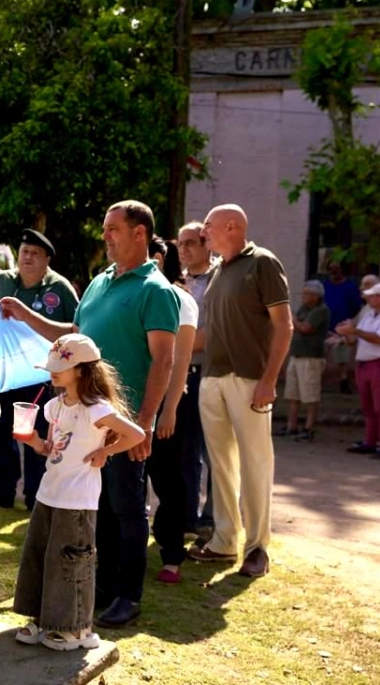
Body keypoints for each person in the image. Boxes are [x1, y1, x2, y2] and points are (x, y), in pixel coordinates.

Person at [0, 199, 178, 628]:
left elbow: (164, 361)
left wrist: (145, 423)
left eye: (113, 229)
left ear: (140, 233)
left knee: (126, 509)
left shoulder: (157, 291)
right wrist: (25, 315)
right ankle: (96, 587)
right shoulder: (99, 283)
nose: (105, 236)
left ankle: (127, 594)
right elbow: (73, 338)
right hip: (83, 422)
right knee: (92, 508)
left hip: (121, 424)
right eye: (105, 229)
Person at [12, 334, 145, 651]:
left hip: (77, 499)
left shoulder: (95, 409)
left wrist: (107, 451)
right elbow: (50, 449)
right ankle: (41, 618)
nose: (53, 372)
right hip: (49, 493)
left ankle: (75, 628)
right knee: (40, 555)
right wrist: (31, 439)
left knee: (71, 560)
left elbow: (136, 434)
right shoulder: (54, 406)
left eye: (61, 366)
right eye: (52, 366)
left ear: (83, 371)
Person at [188, 204, 291, 580]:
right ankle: (224, 539)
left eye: (209, 227)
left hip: (249, 378)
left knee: (255, 463)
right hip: (212, 377)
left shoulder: (263, 262)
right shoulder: (218, 271)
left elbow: (284, 326)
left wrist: (269, 379)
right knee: (221, 464)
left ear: (232, 226)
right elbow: (211, 331)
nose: (204, 234)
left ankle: (257, 547)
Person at [0, 228, 78, 511]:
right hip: (1, 375)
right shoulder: (0, 282)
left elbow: (76, 329)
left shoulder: (59, 289)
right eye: (25, 252)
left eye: (36, 254)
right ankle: (2, 490)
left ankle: (36, 494)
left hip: (40, 377)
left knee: (36, 432)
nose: (28, 258)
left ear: (48, 259)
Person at [146, 236, 197, 584]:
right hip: (134, 395)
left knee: (168, 478)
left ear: (160, 258)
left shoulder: (181, 299)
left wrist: (169, 409)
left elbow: (179, 361)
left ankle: (171, 554)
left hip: (170, 401)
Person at [178, 222, 215, 541]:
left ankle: (212, 518)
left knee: (216, 450)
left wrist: (172, 344)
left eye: (191, 243)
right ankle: (188, 516)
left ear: (208, 245)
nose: (184, 249)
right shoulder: (176, 282)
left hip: (212, 372)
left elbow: (211, 334)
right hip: (182, 374)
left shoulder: (220, 279)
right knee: (186, 450)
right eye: (180, 244)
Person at [339, 283, 380, 460]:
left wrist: (355, 331)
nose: (368, 298)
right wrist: (347, 333)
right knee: (368, 407)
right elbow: (355, 340)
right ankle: (370, 441)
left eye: (372, 295)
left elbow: (379, 339)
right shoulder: (368, 315)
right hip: (364, 363)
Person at [277, 281, 330, 441]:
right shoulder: (304, 309)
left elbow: (306, 328)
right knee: (292, 393)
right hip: (297, 355)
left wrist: (290, 319)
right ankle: (291, 425)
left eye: (307, 294)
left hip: (311, 357)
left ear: (316, 296)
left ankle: (308, 427)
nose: (304, 297)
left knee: (310, 394)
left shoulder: (320, 310)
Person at [323, 260, 361, 394]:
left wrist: (348, 323)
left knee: (342, 358)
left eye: (336, 268)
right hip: (325, 328)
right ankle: (317, 380)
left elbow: (357, 307)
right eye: (331, 268)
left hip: (342, 328)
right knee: (321, 356)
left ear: (342, 270)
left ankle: (343, 381)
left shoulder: (350, 287)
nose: (333, 271)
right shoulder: (325, 286)